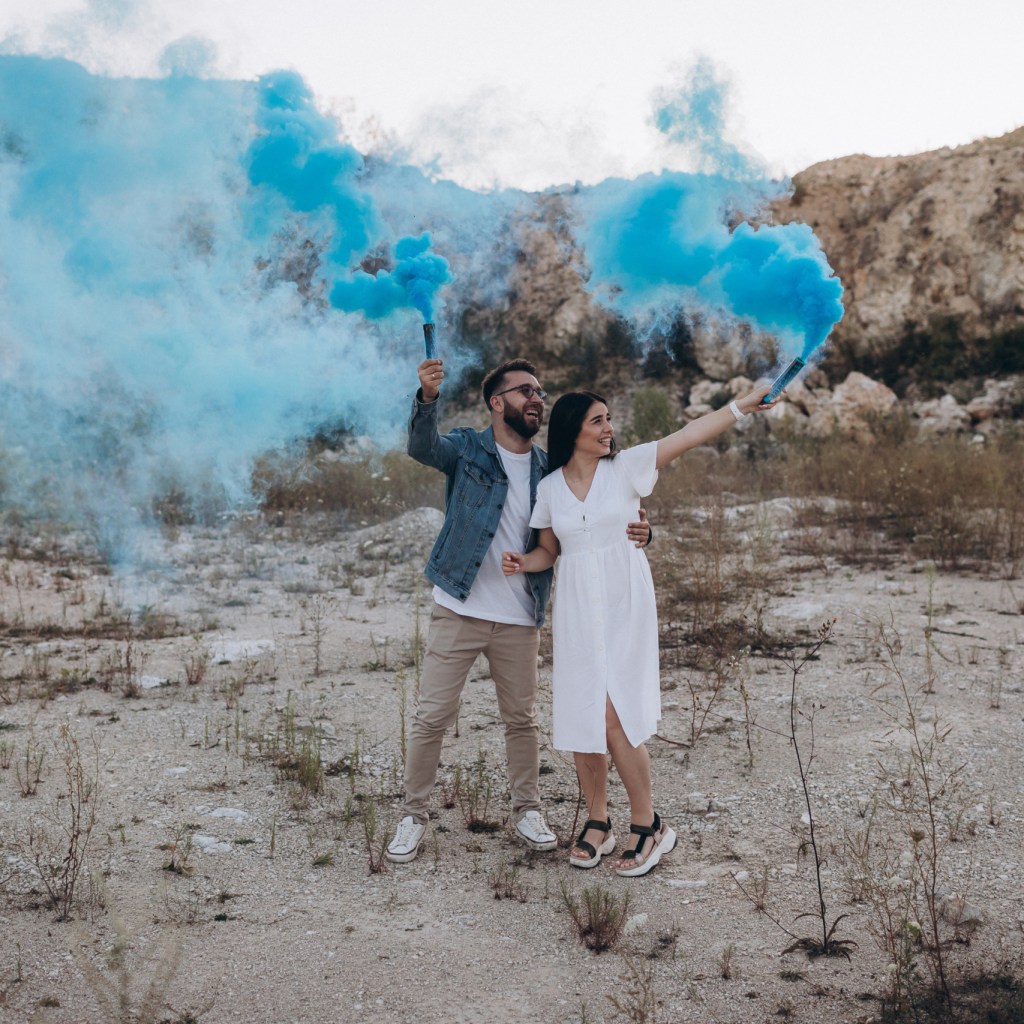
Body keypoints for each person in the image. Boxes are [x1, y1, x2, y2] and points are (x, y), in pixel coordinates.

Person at [502, 384, 777, 877]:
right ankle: (597, 822)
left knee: (615, 715)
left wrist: (742, 406)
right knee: (583, 715)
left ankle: (648, 826)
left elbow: (689, 434)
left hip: (625, 600)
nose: (609, 429)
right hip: (578, 608)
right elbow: (550, 551)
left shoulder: (626, 467)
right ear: (573, 432)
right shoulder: (548, 489)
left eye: (608, 419)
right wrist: (523, 562)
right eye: (597, 421)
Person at [386, 356, 653, 864]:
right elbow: (422, 445)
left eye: (540, 392)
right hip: (459, 605)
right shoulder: (467, 449)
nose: (537, 398)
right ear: (496, 402)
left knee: (521, 720)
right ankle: (413, 815)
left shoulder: (548, 468)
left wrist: (644, 528)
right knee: (432, 717)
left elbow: (600, 504)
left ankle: (526, 809)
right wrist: (426, 397)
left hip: (519, 613)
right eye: (525, 390)